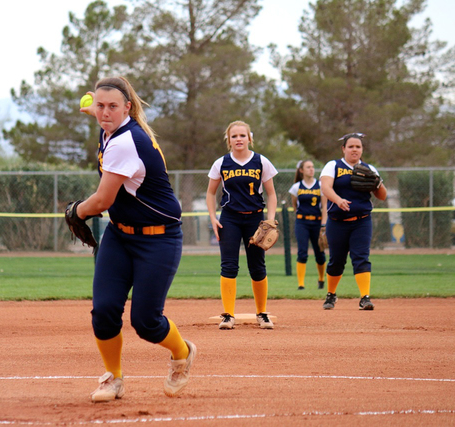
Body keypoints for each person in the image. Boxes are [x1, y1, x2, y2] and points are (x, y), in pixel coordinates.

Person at [75, 76, 196, 402]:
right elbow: (98, 112)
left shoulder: (125, 142)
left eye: (113, 106)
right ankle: (113, 378)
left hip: (159, 240)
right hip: (120, 235)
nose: (104, 113)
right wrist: (91, 106)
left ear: (128, 108)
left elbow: (101, 202)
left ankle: (182, 352)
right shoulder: (111, 126)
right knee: (103, 311)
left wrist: (76, 211)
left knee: (146, 322)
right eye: (100, 106)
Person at [206, 121, 278, 330]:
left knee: (257, 266)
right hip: (229, 218)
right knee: (229, 265)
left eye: (242, 135)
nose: (238, 139)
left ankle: (262, 314)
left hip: (255, 219)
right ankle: (228, 315)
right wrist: (213, 217)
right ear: (228, 140)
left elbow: (271, 193)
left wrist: (270, 219)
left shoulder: (261, 161)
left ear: (249, 138)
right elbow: (211, 193)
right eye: (234, 136)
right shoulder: (221, 163)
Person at [319, 133, 387, 310]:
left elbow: (382, 196)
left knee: (361, 257)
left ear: (362, 149)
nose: (354, 149)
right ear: (343, 149)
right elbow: (325, 187)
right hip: (337, 221)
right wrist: (338, 199)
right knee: (337, 260)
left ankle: (365, 297)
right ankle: (331, 294)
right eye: (351, 146)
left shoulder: (369, 168)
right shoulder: (333, 166)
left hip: (362, 221)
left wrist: (377, 182)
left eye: (358, 146)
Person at [288, 160, 327, 290]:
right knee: (302, 252)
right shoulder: (296, 187)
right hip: (302, 222)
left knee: (320, 253)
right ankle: (301, 284)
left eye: (312, 167)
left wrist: (323, 225)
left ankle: (321, 280)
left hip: (317, 222)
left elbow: (324, 206)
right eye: (308, 167)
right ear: (301, 170)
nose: (311, 169)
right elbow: (295, 206)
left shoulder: (320, 185)